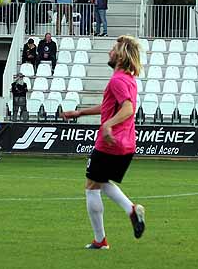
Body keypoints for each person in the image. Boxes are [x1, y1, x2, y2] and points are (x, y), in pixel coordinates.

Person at [61, 36, 146, 250]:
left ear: (120, 55)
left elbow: (128, 109)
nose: (109, 51)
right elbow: (110, 106)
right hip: (126, 144)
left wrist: (108, 126)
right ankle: (130, 211)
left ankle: (102, 239)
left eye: (113, 49)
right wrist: (80, 112)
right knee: (101, 182)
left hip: (110, 141)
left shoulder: (117, 80)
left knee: (92, 186)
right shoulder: (128, 79)